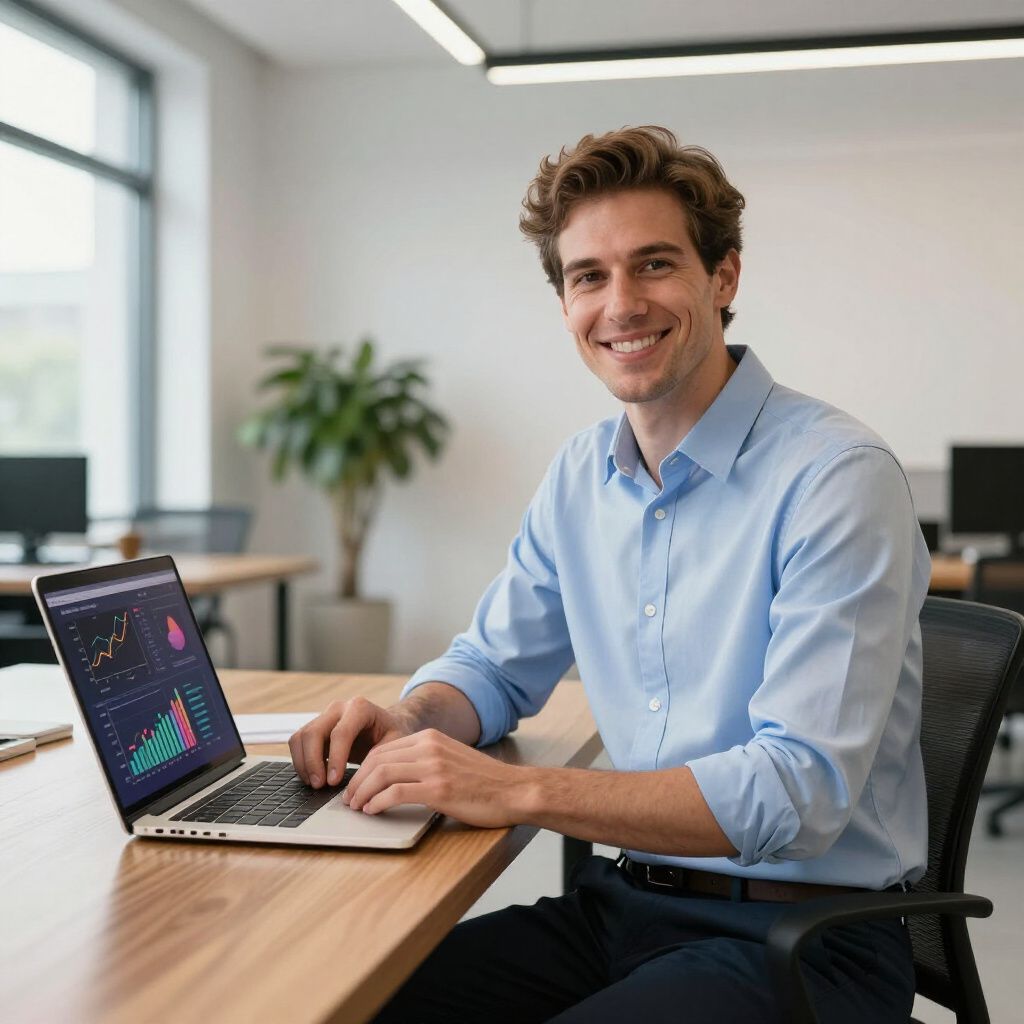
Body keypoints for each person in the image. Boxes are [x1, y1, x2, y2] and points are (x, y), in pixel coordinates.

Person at [289, 125, 930, 1023]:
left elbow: (798, 790)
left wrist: (516, 791)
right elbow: (495, 665)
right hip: (625, 907)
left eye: (655, 264)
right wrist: (410, 717)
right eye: (589, 276)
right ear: (565, 305)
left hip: (807, 940)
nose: (621, 304)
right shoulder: (581, 474)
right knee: (345, 1000)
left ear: (724, 277)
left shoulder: (836, 476)